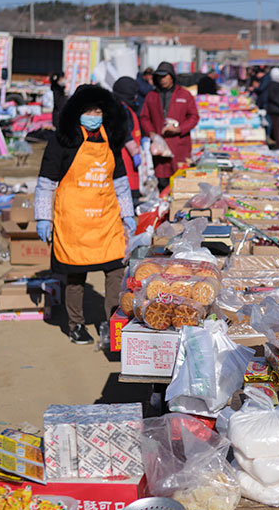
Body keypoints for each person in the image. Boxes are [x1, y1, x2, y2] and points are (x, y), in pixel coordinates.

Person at [34, 84, 135, 344]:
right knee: (76, 275)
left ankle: (113, 325)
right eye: (88, 110)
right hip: (74, 221)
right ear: (77, 111)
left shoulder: (110, 140)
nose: (93, 115)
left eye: (98, 110)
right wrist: (43, 217)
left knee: (115, 270)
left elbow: (121, 182)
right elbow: (46, 182)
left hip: (106, 220)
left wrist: (128, 215)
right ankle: (76, 324)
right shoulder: (62, 141)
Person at [139, 61, 199, 191]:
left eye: (165, 76)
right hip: (160, 147)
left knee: (180, 181)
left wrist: (179, 129)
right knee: (162, 181)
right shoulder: (152, 96)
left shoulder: (184, 95)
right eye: (160, 77)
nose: (163, 80)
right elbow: (144, 117)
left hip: (179, 145)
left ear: (172, 76)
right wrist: (151, 133)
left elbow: (194, 116)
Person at [112, 77, 142, 206]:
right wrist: (134, 151)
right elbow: (125, 131)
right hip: (125, 153)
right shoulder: (122, 108)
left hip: (129, 151)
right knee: (127, 179)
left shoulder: (123, 106)